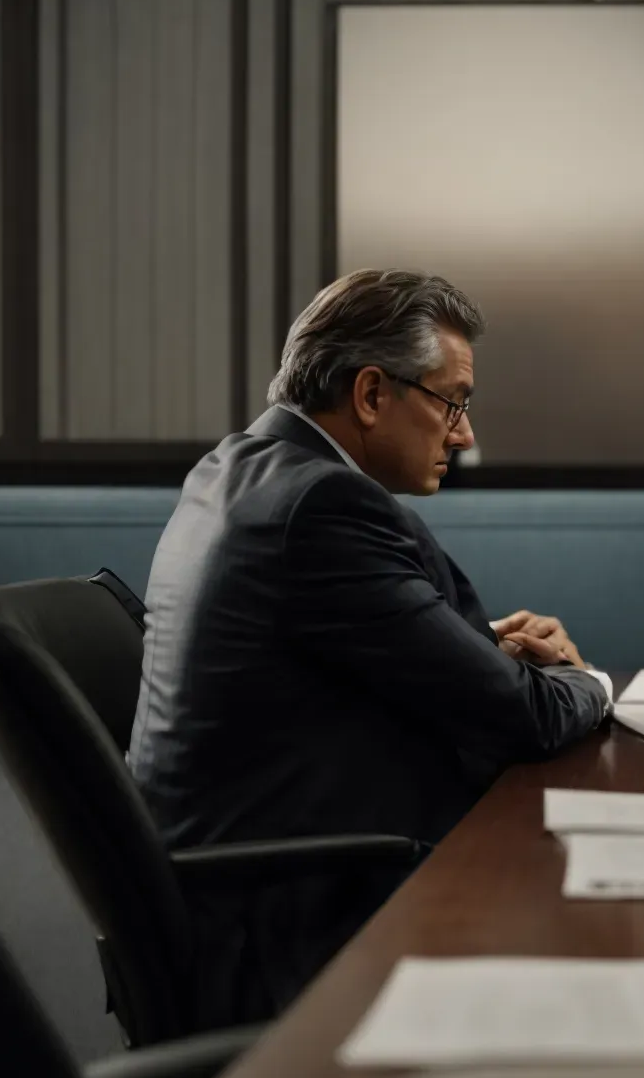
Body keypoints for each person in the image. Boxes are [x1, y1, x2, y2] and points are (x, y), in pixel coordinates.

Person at [128, 268, 612, 1025]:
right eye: (452, 401)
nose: (466, 433)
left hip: (240, 899)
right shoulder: (323, 504)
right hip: (292, 929)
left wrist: (466, 645)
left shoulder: (237, 471)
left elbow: (308, 656)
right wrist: (591, 682)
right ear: (372, 394)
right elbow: (521, 719)